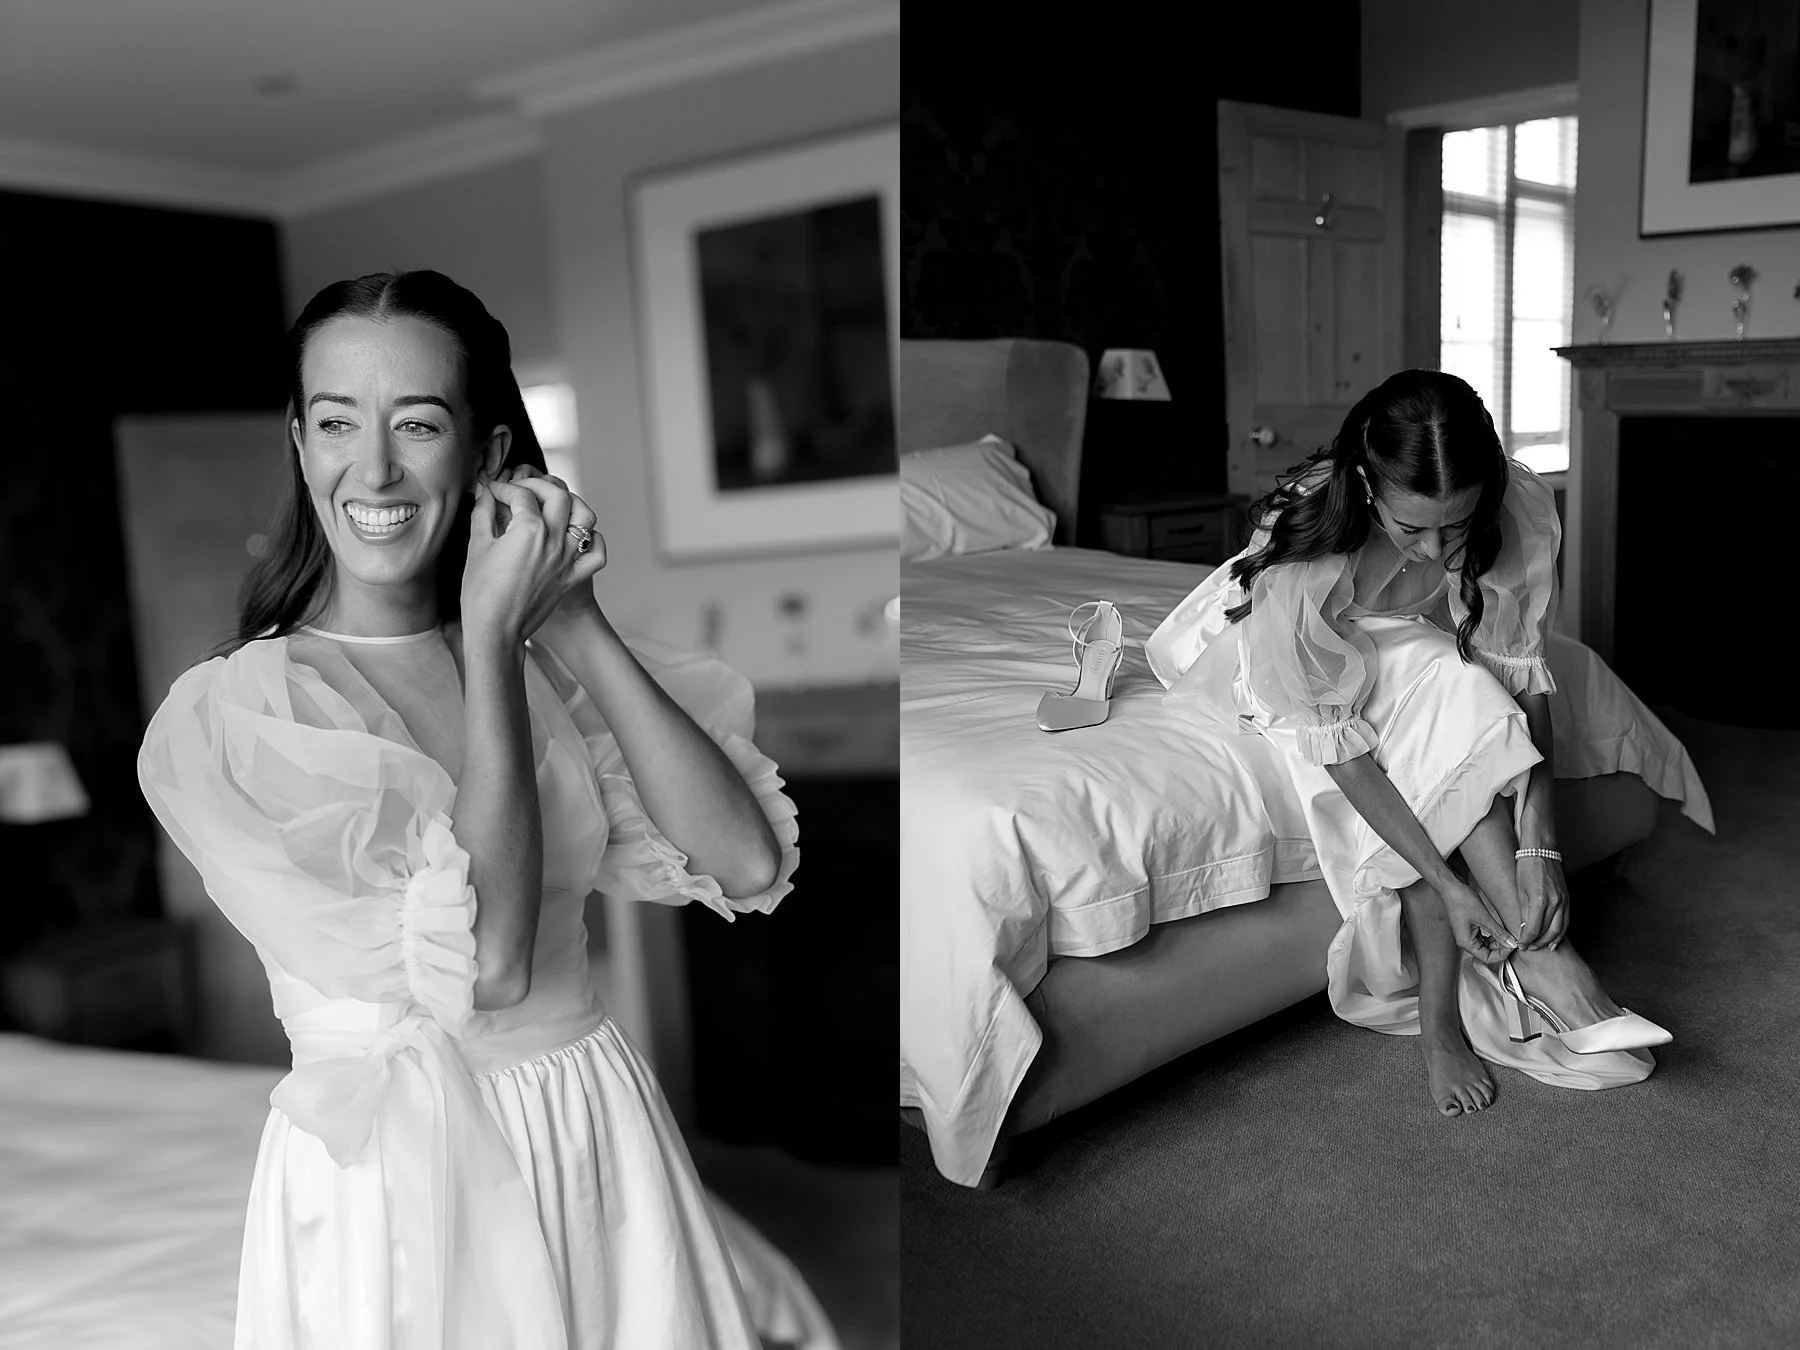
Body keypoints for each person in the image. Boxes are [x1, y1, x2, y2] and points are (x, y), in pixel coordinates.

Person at [137, 270, 832, 1349]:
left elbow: (744, 861)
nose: (374, 468)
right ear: (300, 444)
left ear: (486, 452)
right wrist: (497, 642)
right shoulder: (245, 711)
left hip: (595, 1125)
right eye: (337, 423)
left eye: (417, 424)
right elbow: (489, 967)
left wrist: (574, 618)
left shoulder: (541, 660)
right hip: (401, 1182)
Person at [1144, 370, 1679, 1118]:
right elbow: (1343, 751)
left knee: (1464, 687)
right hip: (1266, 652)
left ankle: (1545, 967)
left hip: (1396, 641)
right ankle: (1503, 996)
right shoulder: (1308, 549)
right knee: (1443, 684)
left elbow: (1523, 679)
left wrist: (1541, 848)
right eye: (1412, 528)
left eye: (1456, 528)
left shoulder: (1509, 502)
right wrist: (1452, 887)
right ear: (1367, 486)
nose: (1435, 550)